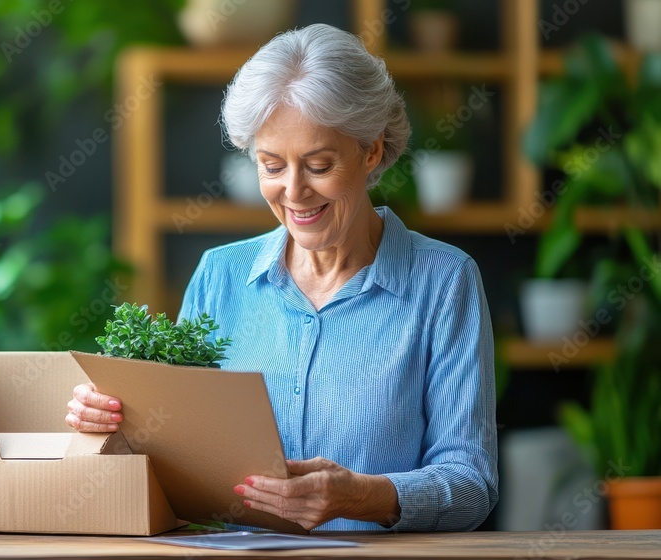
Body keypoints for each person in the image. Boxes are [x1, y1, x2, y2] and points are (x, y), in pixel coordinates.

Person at [66, 23, 498, 532]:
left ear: (372, 151)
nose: (294, 192)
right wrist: (116, 427)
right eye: (271, 166)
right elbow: (174, 461)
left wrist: (360, 497)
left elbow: (472, 484)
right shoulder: (220, 276)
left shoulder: (444, 283)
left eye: (319, 165)